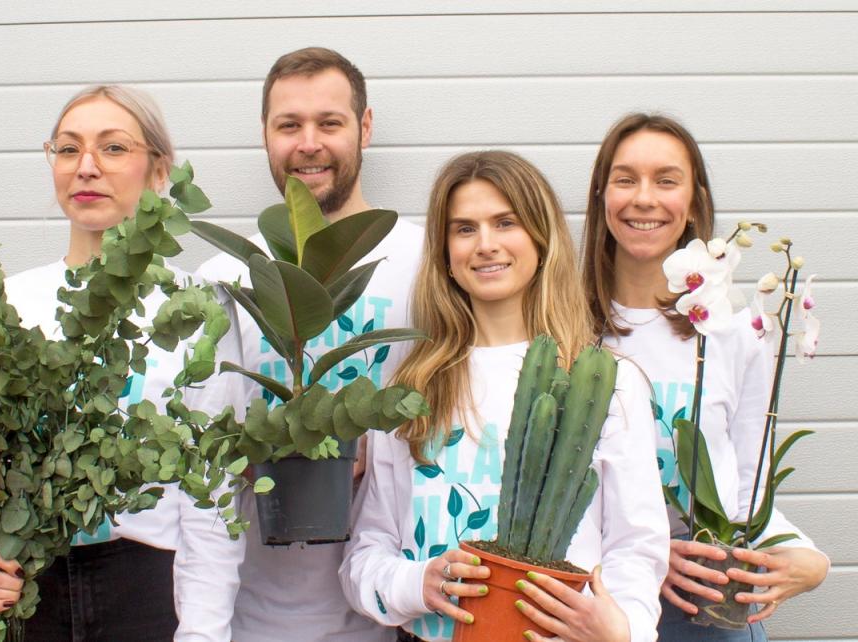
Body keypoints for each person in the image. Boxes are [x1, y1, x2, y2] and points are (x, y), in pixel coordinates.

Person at [0, 85, 245, 641]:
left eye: (114, 148)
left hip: (144, 592)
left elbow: (215, 500)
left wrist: (203, 633)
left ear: (159, 169)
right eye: (68, 149)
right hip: (20, 591)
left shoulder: (198, 309)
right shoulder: (6, 306)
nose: (87, 167)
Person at [340, 150, 670, 642]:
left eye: (505, 222)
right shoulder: (407, 392)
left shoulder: (608, 383)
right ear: (445, 253)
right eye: (464, 228)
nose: (486, 245)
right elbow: (366, 553)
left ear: (541, 239)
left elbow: (636, 546)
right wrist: (417, 582)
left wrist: (620, 630)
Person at [194, 47, 424, 642]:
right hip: (249, 614)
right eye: (288, 125)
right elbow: (198, 452)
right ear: (266, 136)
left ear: (365, 128)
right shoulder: (225, 278)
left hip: (397, 610)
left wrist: (389, 444)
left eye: (330, 122)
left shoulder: (431, 264)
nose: (308, 143)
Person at [580, 112, 829, 640]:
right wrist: (645, 553)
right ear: (602, 196)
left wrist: (807, 560)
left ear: (693, 202)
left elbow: (745, 491)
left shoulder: (735, 333)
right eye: (626, 179)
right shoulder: (567, 330)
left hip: (708, 610)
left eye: (666, 180)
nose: (644, 198)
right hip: (600, 609)